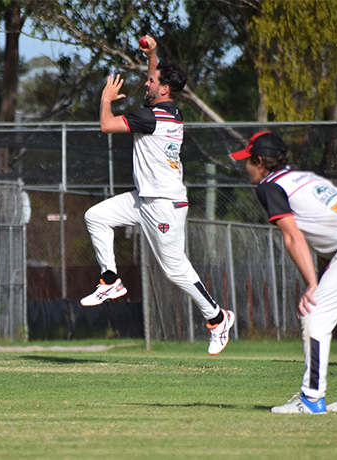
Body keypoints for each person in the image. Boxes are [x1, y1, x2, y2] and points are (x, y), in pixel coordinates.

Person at [80, 36, 235, 355]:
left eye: (151, 80)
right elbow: (156, 86)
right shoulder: (170, 112)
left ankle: (218, 318)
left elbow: (106, 125)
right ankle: (110, 279)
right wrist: (152, 55)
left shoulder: (151, 118)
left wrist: (106, 98)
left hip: (163, 206)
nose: (146, 83)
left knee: (175, 269)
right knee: (95, 216)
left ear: (164, 89)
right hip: (144, 199)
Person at [233, 132, 337, 414]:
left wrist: (312, 284)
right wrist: (318, 280)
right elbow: (327, 235)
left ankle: (311, 399)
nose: (245, 166)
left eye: (248, 161)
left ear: (260, 161)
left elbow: (293, 238)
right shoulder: (305, 178)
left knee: (314, 315)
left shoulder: (269, 186)